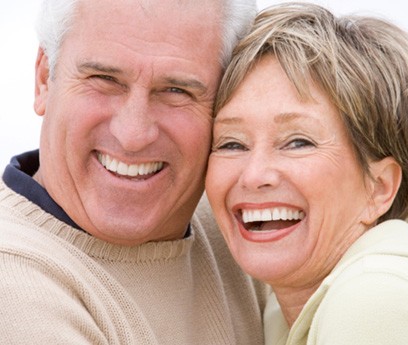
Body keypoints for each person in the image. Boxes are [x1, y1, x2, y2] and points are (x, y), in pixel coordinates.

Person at [0, 0, 269, 343]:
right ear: (43, 80)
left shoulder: (247, 229)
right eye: (105, 79)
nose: (133, 135)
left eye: (176, 90)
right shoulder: (13, 285)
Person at [206, 3, 408, 344]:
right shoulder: (286, 312)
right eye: (231, 143)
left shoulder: (374, 305)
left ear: (380, 187)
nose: (254, 176)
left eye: (298, 142)